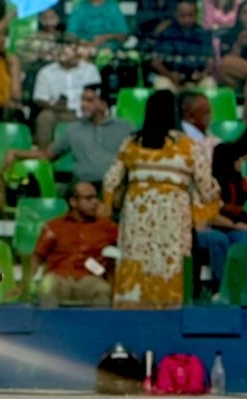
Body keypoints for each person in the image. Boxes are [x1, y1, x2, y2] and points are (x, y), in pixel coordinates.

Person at [102, 90, 221, 308]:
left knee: (136, 266)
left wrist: (112, 206)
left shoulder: (131, 144)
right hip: (174, 220)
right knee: (169, 267)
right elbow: (207, 191)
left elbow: (110, 181)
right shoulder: (188, 146)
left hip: (136, 218)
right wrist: (208, 206)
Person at [4, 84, 136, 191]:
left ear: (103, 104)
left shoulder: (125, 128)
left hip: (115, 187)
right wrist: (16, 153)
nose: (83, 105)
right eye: (82, 100)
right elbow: (47, 154)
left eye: (89, 100)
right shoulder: (74, 129)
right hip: (83, 186)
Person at [32, 182, 118, 308]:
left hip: (89, 279)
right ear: (73, 202)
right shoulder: (54, 226)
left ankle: (98, 328)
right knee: (46, 287)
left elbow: (123, 251)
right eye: (88, 198)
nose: (95, 202)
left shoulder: (107, 226)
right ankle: (48, 327)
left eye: (96, 198)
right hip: (59, 277)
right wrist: (27, 284)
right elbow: (37, 257)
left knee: (103, 290)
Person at [30, 40, 102, 149]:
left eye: (69, 52)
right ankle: (44, 156)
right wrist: (55, 106)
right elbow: (40, 99)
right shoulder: (46, 72)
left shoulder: (90, 70)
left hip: (84, 112)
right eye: (62, 52)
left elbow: (96, 96)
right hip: (59, 113)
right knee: (45, 117)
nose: (65, 55)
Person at [195, 141, 247, 291]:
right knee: (219, 240)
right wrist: (239, 226)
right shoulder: (211, 184)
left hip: (232, 227)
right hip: (207, 226)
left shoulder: (240, 182)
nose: (241, 163)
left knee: (243, 240)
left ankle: (239, 290)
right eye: (238, 160)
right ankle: (220, 289)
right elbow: (211, 215)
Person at [149, 0, 218, 91]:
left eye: (190, 15)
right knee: (162, 86)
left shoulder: (204, 34)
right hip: (170, 77)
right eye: (182, 16)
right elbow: (155, 62)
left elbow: (211, 62)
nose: (187, 19)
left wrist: (202, 75)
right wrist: (170, 75)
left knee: (210, 84)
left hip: (197, 78)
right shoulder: (166, 34)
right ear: (176, 15)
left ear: (196, 14)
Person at [218, 2, 247, 96]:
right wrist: (239, 45)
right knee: (226, 64)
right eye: (245, 13)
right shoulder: (229, 35)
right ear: (239, 15)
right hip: (237, 76)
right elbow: (226, 64)